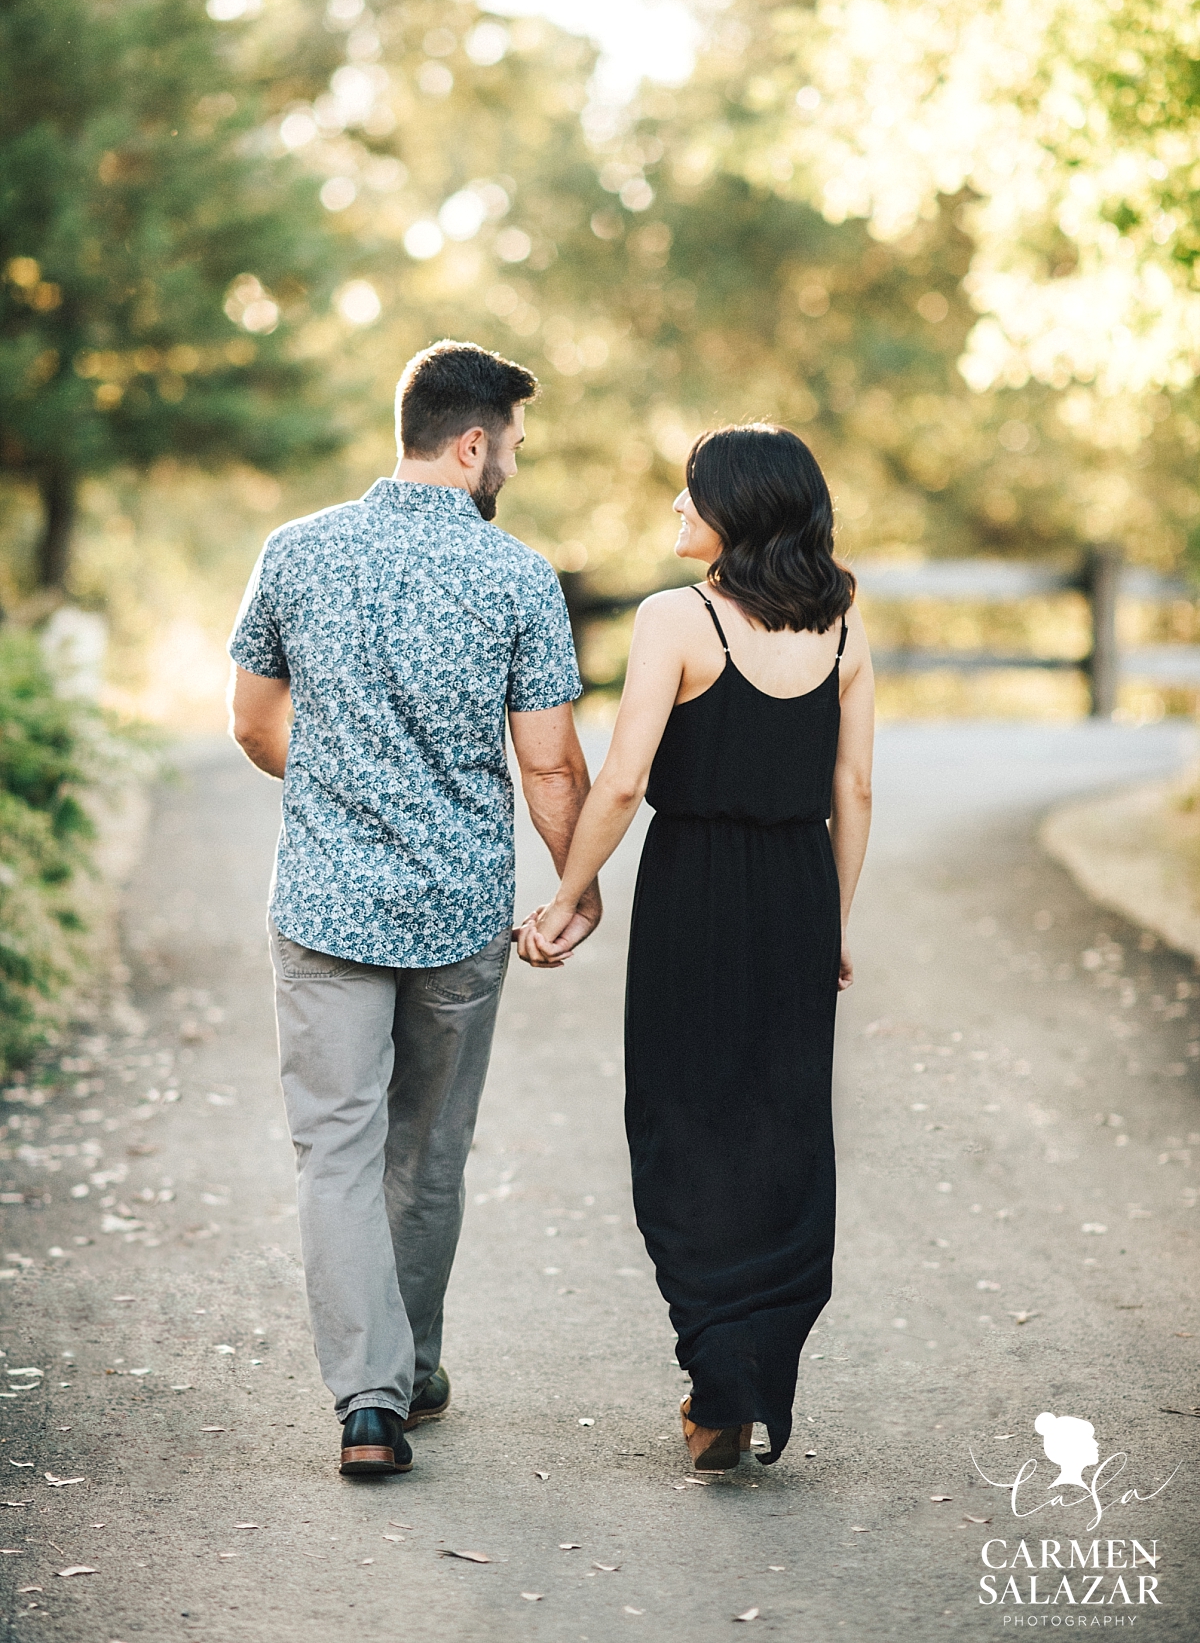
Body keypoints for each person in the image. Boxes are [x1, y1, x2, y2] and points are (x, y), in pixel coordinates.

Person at [227, 339, 600, 1476]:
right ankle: (412, 1364)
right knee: (428, 1152)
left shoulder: (297, 552)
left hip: (325, 907)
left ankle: (370, 1402)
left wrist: (346, 782)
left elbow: (251, 722)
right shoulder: (518, 577)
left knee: (333, 1150)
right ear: (473, 441)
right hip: (458, 913)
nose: (514, 472)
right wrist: (575, 885)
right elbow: (547, 767)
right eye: (514, 450)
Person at [519, 423, 874, 1469]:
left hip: (692, 893)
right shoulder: (846, 624)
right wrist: (835, 923)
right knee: (783, 1129)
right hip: (799, 891)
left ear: (738, 508)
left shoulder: (678, 617)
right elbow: (853, 788)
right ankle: (753, 1367)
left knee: (682, 1120)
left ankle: (717, 1375)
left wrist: (564, 899)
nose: (675, 510)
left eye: (689, 495)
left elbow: (623, 780)